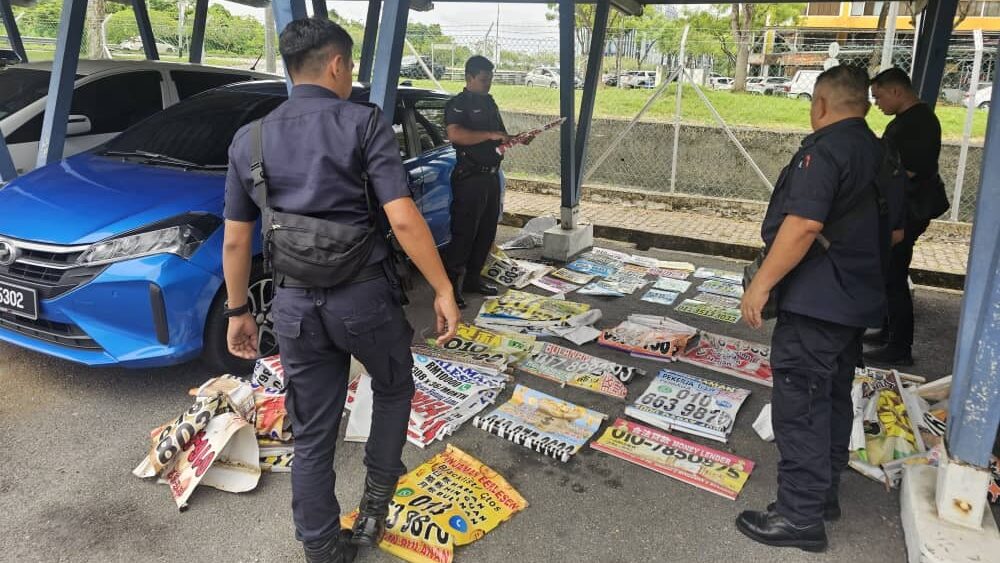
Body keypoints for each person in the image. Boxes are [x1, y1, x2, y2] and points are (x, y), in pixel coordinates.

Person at [221, 17, 459, 563]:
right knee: (394, 387)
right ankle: (376, 504)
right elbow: (401, 219)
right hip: (365, 298)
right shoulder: (363, 123)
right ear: (336, 65)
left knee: (312, 433)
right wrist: (443, 288)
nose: (350, 75)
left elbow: (237, 244)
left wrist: (239, 311)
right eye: (349, 66)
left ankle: (324, 550)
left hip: (295, 305)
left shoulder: (249, 139)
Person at [737, 65, 897, 553]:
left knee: (800, 404)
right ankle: (820, 496)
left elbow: (803, 224)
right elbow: (896, 233)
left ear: (822, 104)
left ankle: (799, 517)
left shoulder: (825, 151)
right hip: (853, 302)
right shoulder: (880, 151)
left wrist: (760, 285)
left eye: (811, 104)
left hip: (817, 302)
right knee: (828, 397)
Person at [865, 68, 949, 367]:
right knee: (888, 272)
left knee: (894, 276)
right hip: (902, 208)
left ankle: (899, 347)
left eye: (879, 96)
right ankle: (888, 331)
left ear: (896, 91)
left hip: (908, 210)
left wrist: (895, 222)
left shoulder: (920, 123)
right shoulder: (907, 121)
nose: (877, 104)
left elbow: (904, 176)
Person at [443, 55, 513, 309]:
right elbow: (456, 134)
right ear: (469, 77)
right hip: (470, 178)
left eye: (491, 78)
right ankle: (450, 289)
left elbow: (498, 136)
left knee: (486, 232)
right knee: (464, 234)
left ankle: (473, 279)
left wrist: (510, 139)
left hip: (491, 176)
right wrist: (489, 135)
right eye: (484, 79)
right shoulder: (458, 104)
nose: (488, 83)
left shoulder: (489, 103)